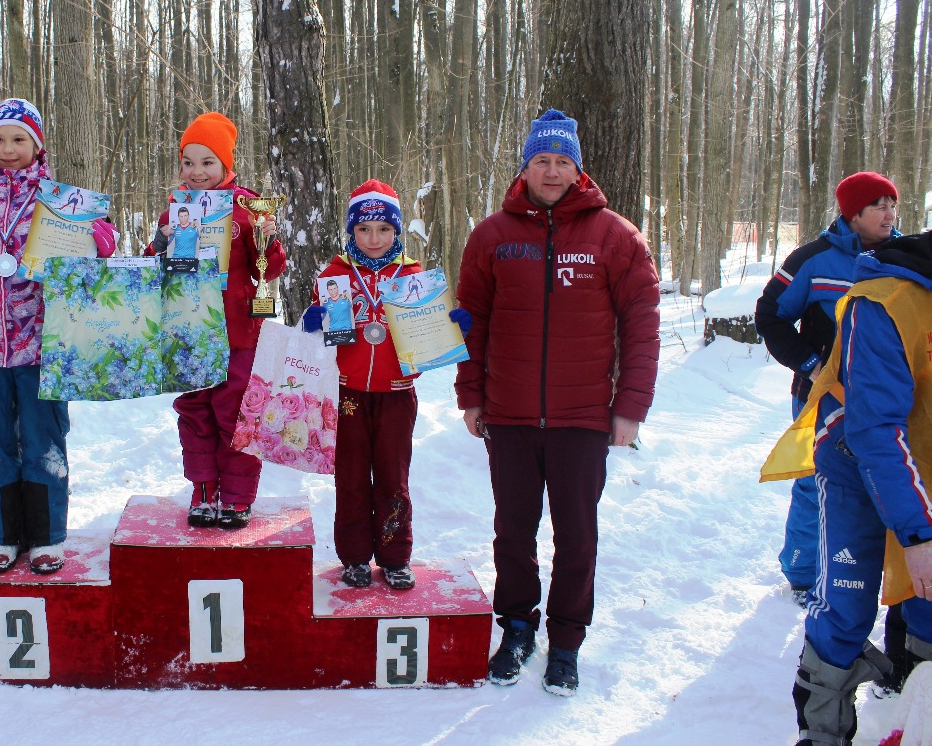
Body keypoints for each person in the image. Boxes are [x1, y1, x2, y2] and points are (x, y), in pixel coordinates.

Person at [455, 108, 660, 696]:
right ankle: (517, 625)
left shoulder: (614, 237)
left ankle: (567, 640)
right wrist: (472, 395)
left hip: (584, 418)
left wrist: (630, 408)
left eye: (561, 160)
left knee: (577, 535)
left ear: (577, 168)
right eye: (541, 160)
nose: (551, 170)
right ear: (526, 166)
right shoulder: (492, 236)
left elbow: (641, 326)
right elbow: (471, 324)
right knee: (512, 532)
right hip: (509, 414)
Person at [0, 98, 116, 574]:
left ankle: (47, 535)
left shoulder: (57, 201)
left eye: (18, 140)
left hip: (43, 345)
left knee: (44, 441)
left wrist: (99, 238)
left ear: (37, 144)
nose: (8, 149)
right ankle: (2, 535)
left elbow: (96, 255)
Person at [756, 171, 908, 696]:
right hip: (824, 398)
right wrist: (814, 361)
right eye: (876, 206)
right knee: (815, 482)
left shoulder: (902, 257)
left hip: (883, 401)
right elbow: (769, 315)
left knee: (882, 484)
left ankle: (883, 579)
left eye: (891, 204)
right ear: (850, 213)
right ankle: (801, 571)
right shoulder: (812, 259)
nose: (888, 214)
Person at [784, 230, 932, 745]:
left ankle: (913, 717)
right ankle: (823, 729)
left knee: (929, 599)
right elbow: (876, 428)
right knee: (847, 605)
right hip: (856, 459)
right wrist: (918, 536)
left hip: (924, 466)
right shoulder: (884, 302)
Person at [302, 180, 471, 590]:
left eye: (383, 229)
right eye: (364, 229)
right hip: (348, 394)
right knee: (353, 476)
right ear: (351, 232)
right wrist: (312, 321)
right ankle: (356, 557)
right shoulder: (335, 275)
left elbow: (431, 328)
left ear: (397, 231)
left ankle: (395, 557)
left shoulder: (414, 277)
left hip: (397, 393)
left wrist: (451, 326)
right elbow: (321, 333)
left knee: (394, 477)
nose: (374, 238)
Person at [146, 112, 285, 530]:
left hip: (237, 332)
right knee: (195, 411)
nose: (196, 171)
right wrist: (160, 245)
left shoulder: (246, 208)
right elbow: (156, 271)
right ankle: (204, 490)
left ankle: (238, 497)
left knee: (236, 412)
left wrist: (269, 240)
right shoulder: (175, 210)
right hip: (187, 331)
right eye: (188, 162)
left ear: (226, 164)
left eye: (207, 162)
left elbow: (271, 269)